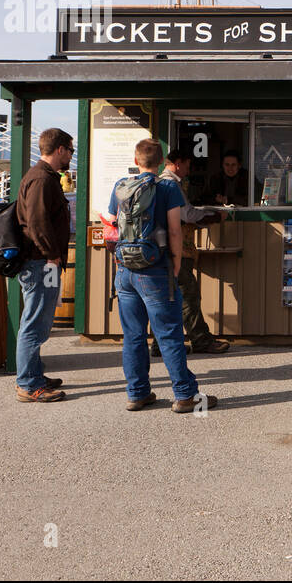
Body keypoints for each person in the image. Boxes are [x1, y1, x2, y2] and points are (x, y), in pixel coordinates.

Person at [103, 138, 217, 414]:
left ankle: (137, 394)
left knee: (133, 336)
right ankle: (185, 395)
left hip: (125, 271)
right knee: (169, 334)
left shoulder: (121, 186)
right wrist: (176, 264)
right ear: (162, 160)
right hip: (155, 270)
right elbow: (175, 231)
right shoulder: (167, 187)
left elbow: (109, 224)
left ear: (136, 159)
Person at [149, 146, 230, 358]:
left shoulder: (157, 183)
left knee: (166, 299)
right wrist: (215, 216)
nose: (188, 169)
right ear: (178, 163)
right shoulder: (171, 184)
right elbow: (188, 215)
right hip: (176, 250)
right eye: (187, 165)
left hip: (157, 250)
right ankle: (201, 340)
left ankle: (160, 344)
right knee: (188, 295)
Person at [13, 129, 73, 403]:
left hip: (43, 262)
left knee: (41, 319)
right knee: (35, 322)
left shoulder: (44, 177)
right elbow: (37, 223)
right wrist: (52, 255)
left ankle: (35, 374)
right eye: (70, 150)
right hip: (41, 263)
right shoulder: (41, 179)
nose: (71, 155)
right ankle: (28, 384)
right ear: (59, 149)